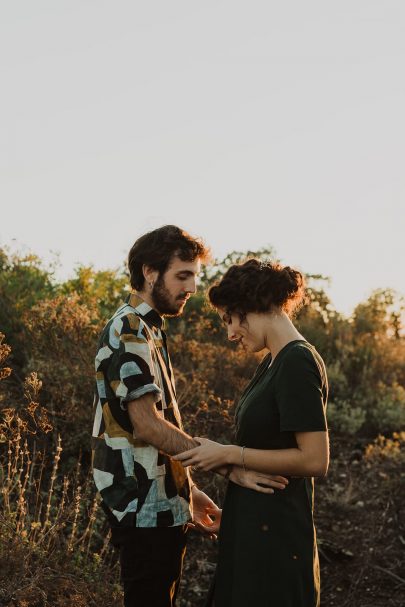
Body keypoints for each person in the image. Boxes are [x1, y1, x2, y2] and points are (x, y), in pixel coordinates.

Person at [91, 227, 288, 607]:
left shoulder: (148, 328)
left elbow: (158, 428)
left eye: (195, 275)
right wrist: (228, 466)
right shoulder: (129, 327)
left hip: (160, 501)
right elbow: (146, 424)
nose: (193, 287)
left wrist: (189, 490)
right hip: (142, 506)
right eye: (183, 275)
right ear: (150, 272)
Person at [174, 258, 329, 607]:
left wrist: (229, 453)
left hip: (277, 539)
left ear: (253, 306)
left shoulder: (297, 361)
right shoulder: (273, 361)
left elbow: (316, 458)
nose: (229, 333)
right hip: (255, 528)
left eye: (230, 318)